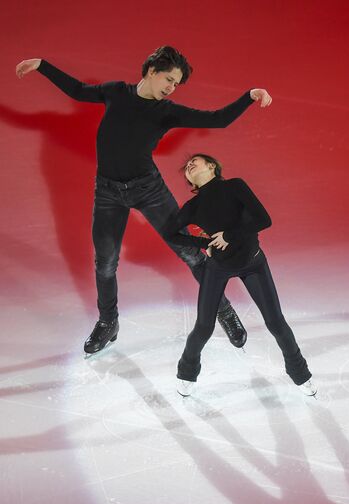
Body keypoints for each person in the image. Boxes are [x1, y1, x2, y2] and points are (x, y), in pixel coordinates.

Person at [15, 46, 272, 354]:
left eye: (176, 84)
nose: (171, 87)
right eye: (169, 79)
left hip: (148, 189)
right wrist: (42, 64)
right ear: (151, 71)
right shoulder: (116, 92)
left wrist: (249, 96)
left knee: (190, 253)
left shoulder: (167, 111)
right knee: (105, 263)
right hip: (108, 192)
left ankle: (224, 311)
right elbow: (78, 90)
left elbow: (217, 120)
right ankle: (108, 321)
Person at [162, 154, 316, 397]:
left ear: (212, 166)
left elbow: (263, 220)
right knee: (203, 327)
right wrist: (204, 243)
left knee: (276, 322)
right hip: (218, 267)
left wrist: (228, 236)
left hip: (252, 263)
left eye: (196, 161)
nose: (190, 165)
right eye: (187, 167)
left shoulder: (234, 186)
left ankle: (301, 374)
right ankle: (186, 374)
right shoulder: (193, 207)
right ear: (190, 180)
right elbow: (169, 232)